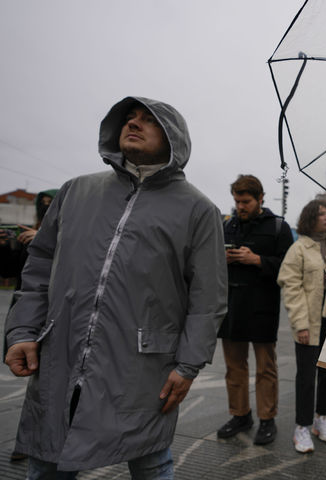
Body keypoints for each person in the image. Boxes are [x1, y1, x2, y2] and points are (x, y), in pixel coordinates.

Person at [3, 96, 228, 478]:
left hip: (145, 365)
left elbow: (208, 298)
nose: (133, 124)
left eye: (147, 120)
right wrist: (22, 331)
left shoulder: (197, 210)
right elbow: (40, 266)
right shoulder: (76, 192)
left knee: (150, 460)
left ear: (173, 136)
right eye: (129, 118)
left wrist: (189, 365)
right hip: (62, 350)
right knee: (48, 454)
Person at [215, 174, 293, 445]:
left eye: (246, 201)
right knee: (233, 367)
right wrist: (221, 257)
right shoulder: (228, 225)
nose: (240, 207)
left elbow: (289, 267)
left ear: (260, 199)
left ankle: (267, 420)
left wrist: (257, 259)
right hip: (232, 307)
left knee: (265, 369)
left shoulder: (278, 227)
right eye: (237, 201)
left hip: (262, 307)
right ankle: (240, 415)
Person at [277, 200, 326, 453]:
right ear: (310, 218)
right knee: (307, 377)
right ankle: (302, 427)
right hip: (309, 322)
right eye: (320, 214)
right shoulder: (298, 249)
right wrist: (300, 325)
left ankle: (321, 420)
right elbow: (291, 288)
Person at [0, 188, 57, 462]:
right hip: (26, 314)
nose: (45, 207)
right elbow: (14, 272)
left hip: (56, 318)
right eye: (42, 203)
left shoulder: (69, 233)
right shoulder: (29, 232)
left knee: (53, 385)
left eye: (50, 203)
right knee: (35, 385)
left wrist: (48, 241)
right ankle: (30, 442)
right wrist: (9, 247)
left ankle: (57, 449)